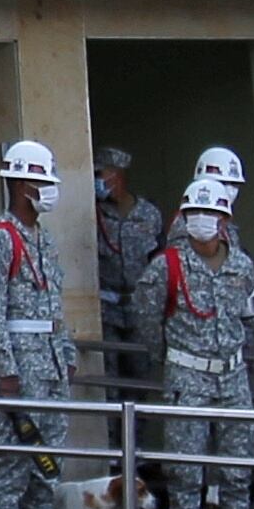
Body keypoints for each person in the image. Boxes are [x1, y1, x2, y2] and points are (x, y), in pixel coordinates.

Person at [0, 141, 104, 509]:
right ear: (21, 184)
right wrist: (6, 372)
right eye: (42, 183)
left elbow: (53, 306)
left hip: (47, 370)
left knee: (45, 471)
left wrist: (65, 353)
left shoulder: (42, 239)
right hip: (16, 374)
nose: (48, 191)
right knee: (10, 471)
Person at [153, 175, 254, 509]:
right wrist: (173, 363)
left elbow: (250, 318)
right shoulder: (165, 265)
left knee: (237, 465)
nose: (203, 220)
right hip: (188, 376)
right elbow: (149, 324)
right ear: (184, 217)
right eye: (195, 212)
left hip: (233, 377)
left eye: (212, 212)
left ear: (225, 219)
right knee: (186, 469)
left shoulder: (241, 264)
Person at [90, 147, 164, 403]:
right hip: (106, 310)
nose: (97, 181)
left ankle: (137, 440)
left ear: (117, 176)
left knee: (139, 382)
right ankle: (112, 440)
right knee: (109, 383)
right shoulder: (94, 214)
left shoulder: (149, 215)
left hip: (139, 310)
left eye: (101, 174)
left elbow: (160, 260)